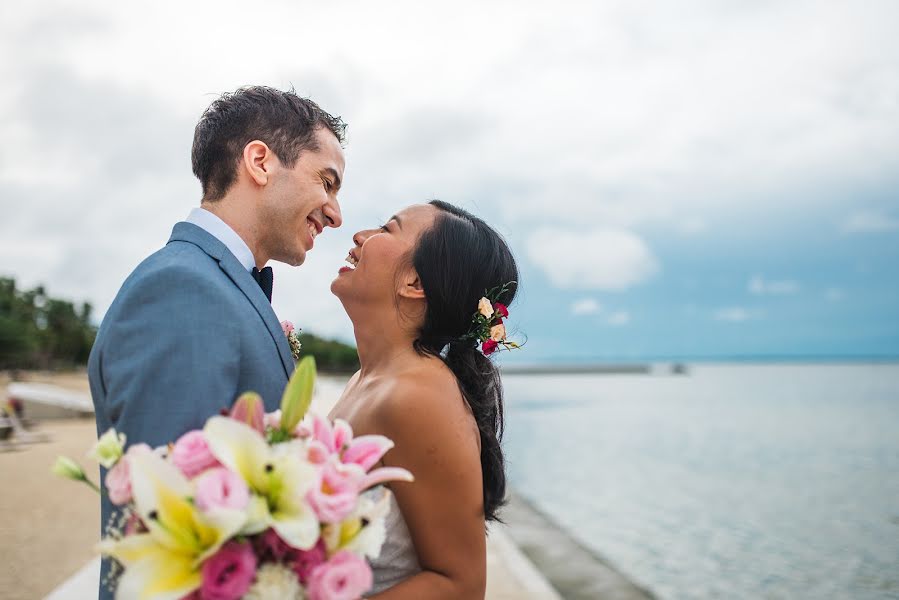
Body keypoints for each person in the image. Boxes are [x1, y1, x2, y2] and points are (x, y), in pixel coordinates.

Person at [87, 86, 346, 599]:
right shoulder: (182, 290)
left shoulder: (213, 285)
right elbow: (171, 530)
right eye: (327, 182)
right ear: (260, 161)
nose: (336, 213)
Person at [329, 200, 519, 598]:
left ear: (415, 282)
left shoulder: (420, 395)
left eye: (387, 228)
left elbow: (461, 586)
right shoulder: (366, 379)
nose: (359, 237)